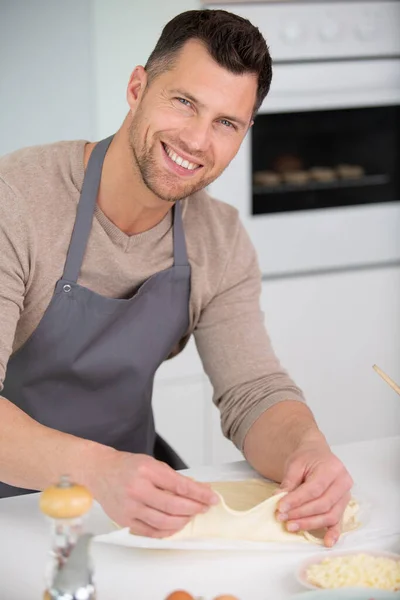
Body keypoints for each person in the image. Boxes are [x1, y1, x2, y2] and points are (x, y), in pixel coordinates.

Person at [0, 9, 352, 546]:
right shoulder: (17, 201)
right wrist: (97, 471)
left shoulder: (220, 238)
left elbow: (253, 391)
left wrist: (307, 451)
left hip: (131, 508)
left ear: (244, 133)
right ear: (138, 87)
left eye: (225, 123)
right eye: (184, 102)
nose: (196, 139)